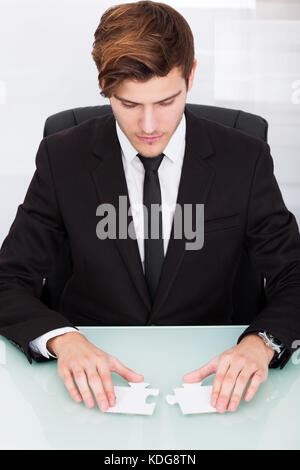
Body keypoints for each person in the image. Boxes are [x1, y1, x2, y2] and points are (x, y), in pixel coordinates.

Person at [0, 1, 300, 415]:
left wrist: (260, 343)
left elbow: (294, 275)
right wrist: (63, 339)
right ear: (105, 88)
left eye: (166, 102)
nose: (148, 126)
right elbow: (9, 278)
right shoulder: (62, 157)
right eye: (128, 104)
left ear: (191, 75)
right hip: (90, 388)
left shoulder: (243, 158)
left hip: (212, 387)